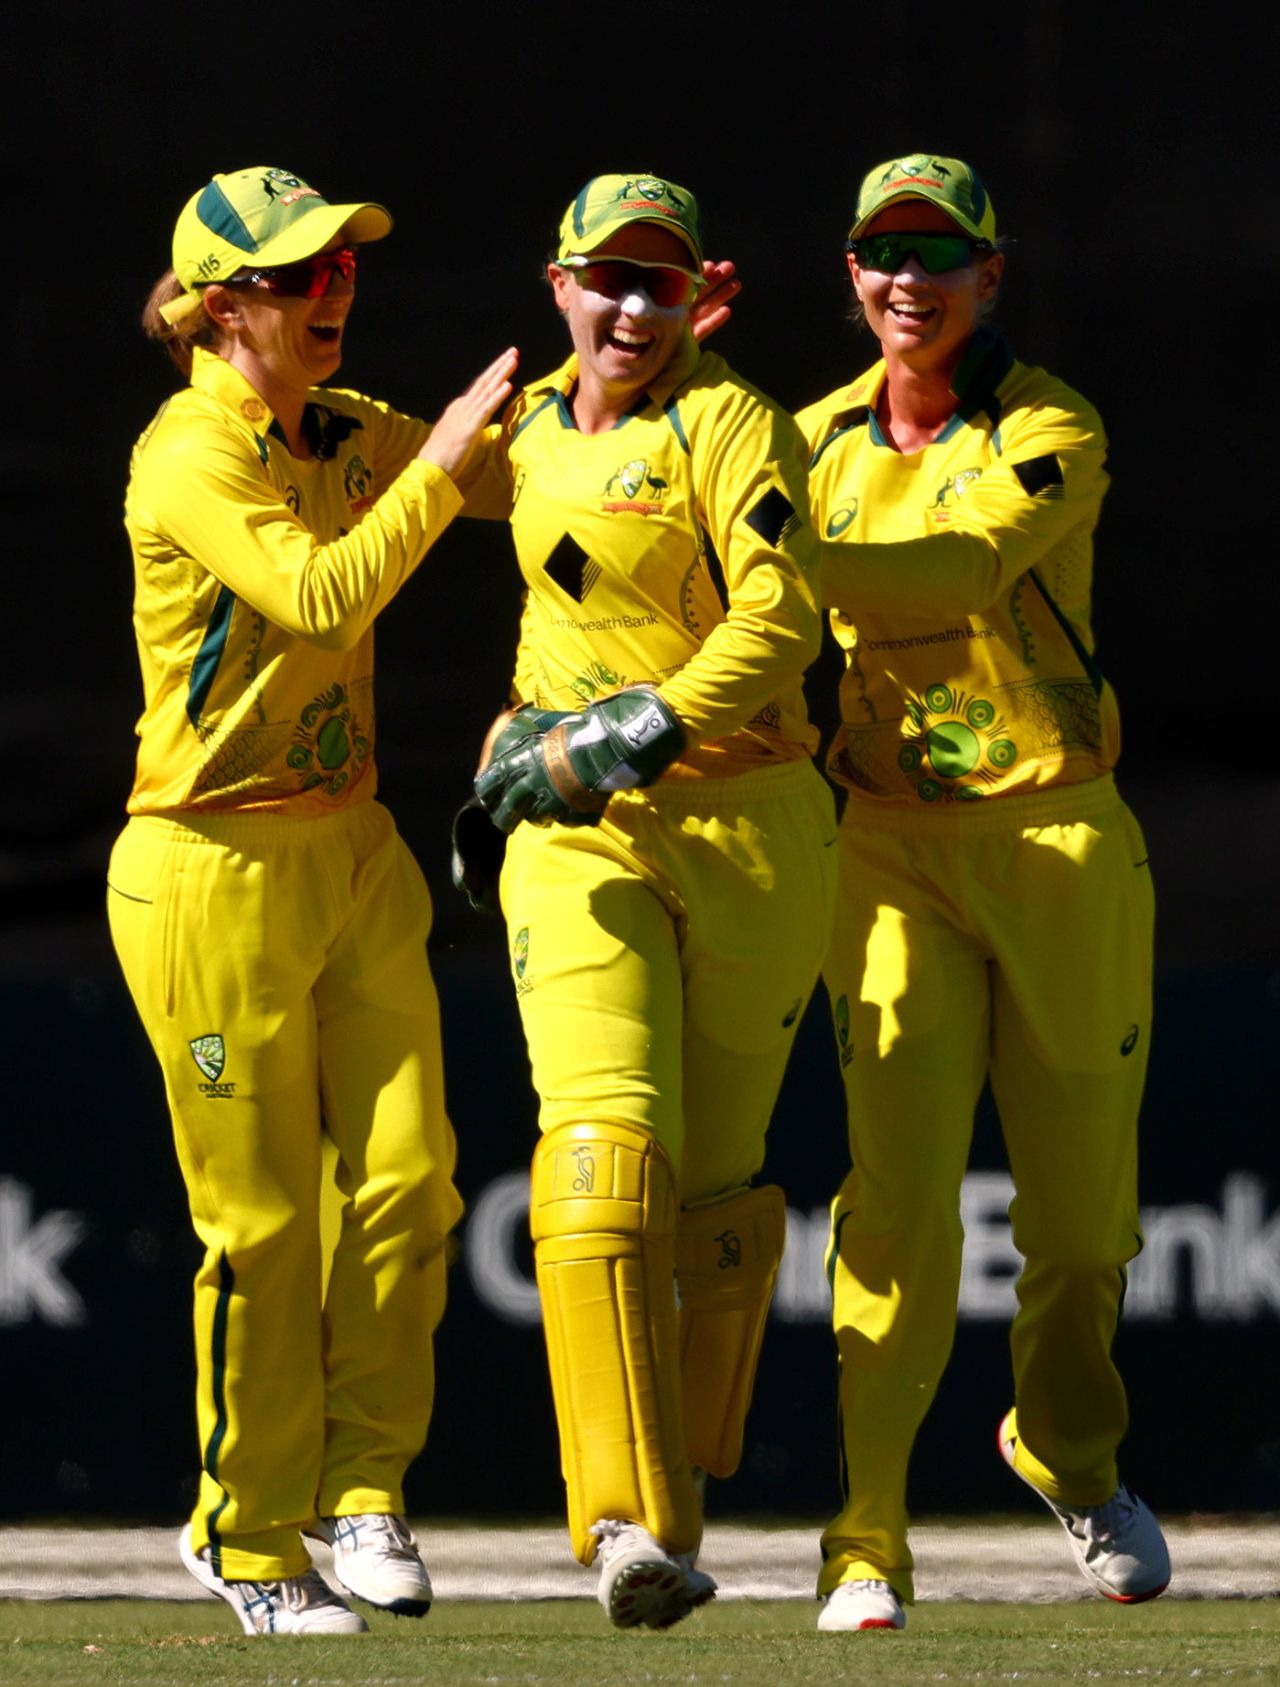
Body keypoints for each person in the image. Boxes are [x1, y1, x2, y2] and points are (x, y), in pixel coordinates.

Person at [106, 165, 518, 1636]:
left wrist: (625, 377)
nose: (334, 292)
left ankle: (362, 1490)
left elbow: (522, 481)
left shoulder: (339, 426)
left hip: (352, 850)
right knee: (265, 1228)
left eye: (342, 268)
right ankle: (246, 1535)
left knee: (411, 1181)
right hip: (208, 870)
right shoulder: (187, 454)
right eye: (299, 276)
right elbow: (330, 594)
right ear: (225, 310)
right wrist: (443, 463)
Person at [794, 153, 1171, 1632]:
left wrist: (780, 557)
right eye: (884, 254)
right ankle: (866, 1542)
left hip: (1057, 840)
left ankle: (1069, 1451)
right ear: (853, 274)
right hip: (889, 852)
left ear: (988, 277)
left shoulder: (1051, 423)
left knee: (1080, 1230)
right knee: (896, 1214)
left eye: (938, 256)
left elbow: (958, 572)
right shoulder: (810, 441)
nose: (910, 281)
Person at [463, 172, 837, 1630]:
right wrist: (524, 729)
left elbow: (781, 618)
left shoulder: (735, 424)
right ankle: (627, 1525)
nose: (630, 305)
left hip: (752, 819)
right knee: (603, 1144)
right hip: (580, 832)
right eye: (606, 278)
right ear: (556, 282)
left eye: (659, 282)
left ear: (702, 293)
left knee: (716, 1191)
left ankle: (687, 1486)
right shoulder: (522, 427)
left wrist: (638, 725)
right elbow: (442, 513)